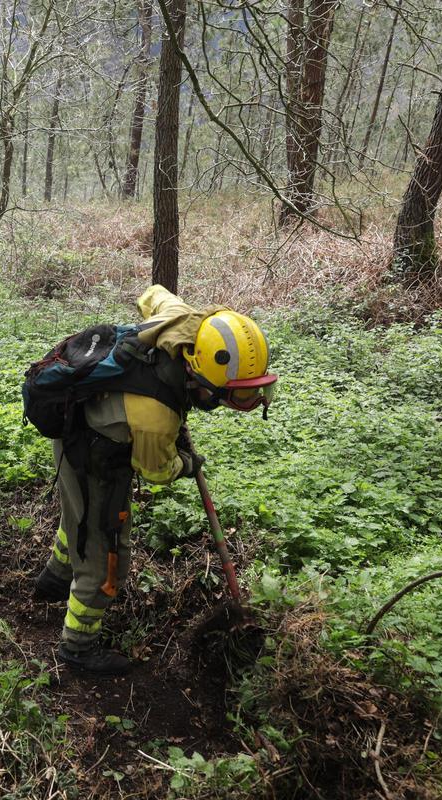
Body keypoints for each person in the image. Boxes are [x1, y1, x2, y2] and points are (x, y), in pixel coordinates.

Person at [32, 285, 277, 675]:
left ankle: (53, 581)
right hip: (93, 453)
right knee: (106, 559)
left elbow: (153, 293)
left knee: (76, 520)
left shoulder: (184, 321)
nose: (240, 405)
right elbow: (156, 471)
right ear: (203, 379)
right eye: (233, 397)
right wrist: (188, 463)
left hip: (78, 428)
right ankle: (77, 648)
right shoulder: (155, 416)